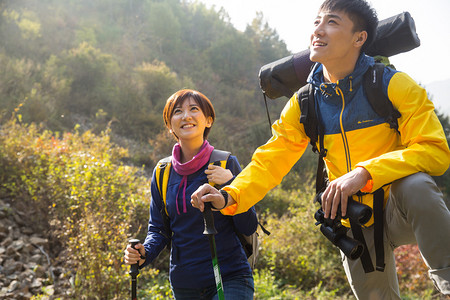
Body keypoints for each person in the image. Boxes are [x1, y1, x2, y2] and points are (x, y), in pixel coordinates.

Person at [191, 0, 450, 299]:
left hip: (399, 210)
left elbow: (435, 151)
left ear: (359, 38)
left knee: (416, 185)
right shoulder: (305, 103)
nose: (318, 29)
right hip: (354, 222)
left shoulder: (393, 86)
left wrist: (364, 173)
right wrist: (229, 196)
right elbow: (269, 161)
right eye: (316, 22)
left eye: (332, 22)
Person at [124, 89, 257, 299]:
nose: (186, 116)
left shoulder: (225, 163)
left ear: (208, 121)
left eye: (194, 109)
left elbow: (249, 225)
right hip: (185, 284)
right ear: (170, 126)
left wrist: (230, 182)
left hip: (229, 278)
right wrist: (144, 253)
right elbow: (158, 229)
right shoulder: (162, 172)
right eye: (177, 111)